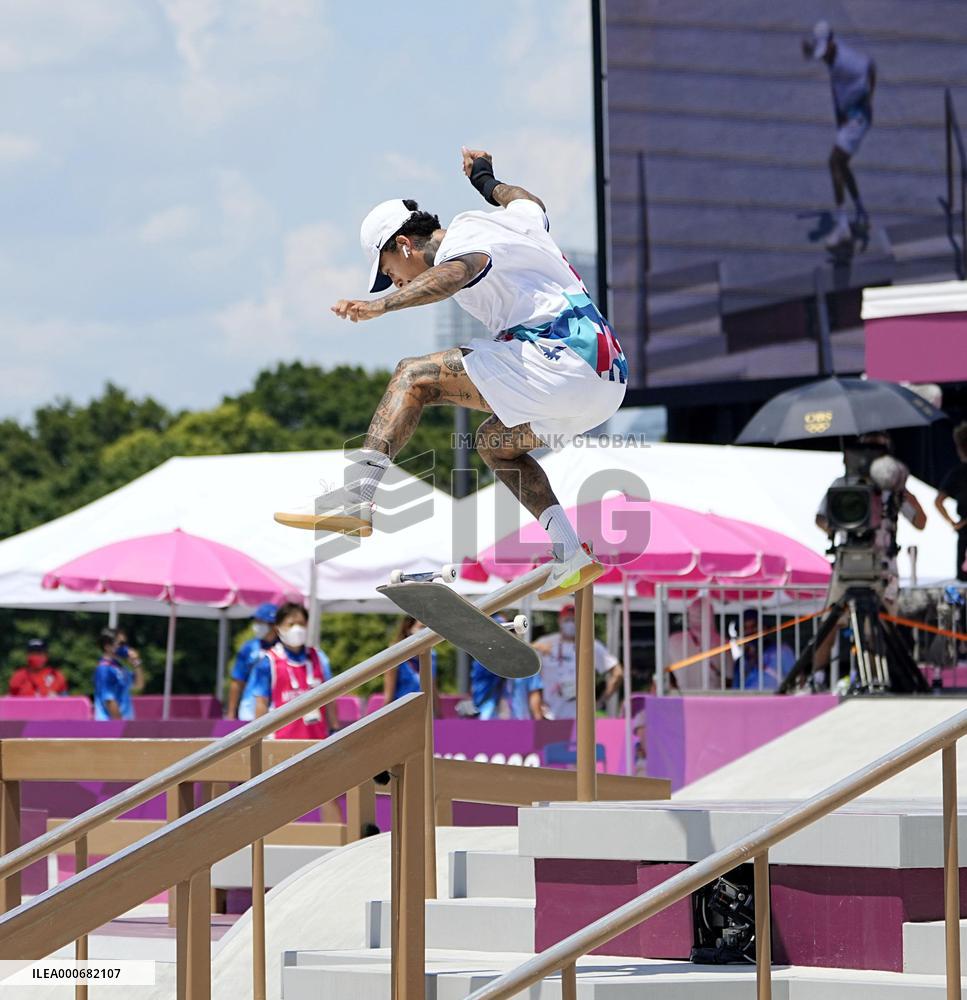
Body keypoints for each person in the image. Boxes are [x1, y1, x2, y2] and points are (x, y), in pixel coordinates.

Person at [274, 146, 628, 601]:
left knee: (412, 376)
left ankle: (357, 498)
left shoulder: (461, 240)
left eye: (390, 272)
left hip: (557, 359)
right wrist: (485, 178)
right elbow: (528, 200)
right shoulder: (515, 221)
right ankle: (569, 552)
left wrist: (381, 306)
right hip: (607, 382)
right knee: (496, 446)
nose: (397, 282)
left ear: (404, 244)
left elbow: (456, 273)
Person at [802, 20, 876, 249]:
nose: (823, 57)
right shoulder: (830, 55)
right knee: (842, 165)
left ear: (832, 43)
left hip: (858, 116)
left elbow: (871, 67)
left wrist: (868, 100)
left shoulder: (848, 61)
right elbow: (836, 87)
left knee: (834, 162)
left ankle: (843, 227)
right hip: (847, 116)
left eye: (825, 51)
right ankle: (861, 211)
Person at [246, 602, 338, 739]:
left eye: (301, 624)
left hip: (317, 739)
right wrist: (259, 738)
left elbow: (330, 696)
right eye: (291, 624)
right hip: (281, 741)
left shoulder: (319, 657)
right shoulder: (268, 661)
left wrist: (334, 729)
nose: (297, 629)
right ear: (278, 628)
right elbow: (261, 702)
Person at [531, 605, 623, 720]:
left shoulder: (590, 645)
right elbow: (521, 655)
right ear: (559, 621)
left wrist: (601, 701)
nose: (570, 623)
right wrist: (535, 647)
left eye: (574, 620)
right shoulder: (546, 642)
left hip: (579, 716)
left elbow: (617, 673)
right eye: (567, 619)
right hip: (548, 714)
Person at [469, 613, 542, 719]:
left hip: (519, 720)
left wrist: (538, 718)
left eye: (510, 634)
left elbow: (534, 692)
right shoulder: (482, 660)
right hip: (488, 719)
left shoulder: (527, 662)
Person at [226, 602, 278, 721]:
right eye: (256, 621)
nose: (256, 626)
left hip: (278, 710)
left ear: (273, 624)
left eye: (261, 622)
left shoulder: (284, 649)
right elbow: (237, 681)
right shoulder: (249, 647)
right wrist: (230, 713)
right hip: (249, 711)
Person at [384, 616, 440, 717]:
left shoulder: (432, 655)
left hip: (424, 713)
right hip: (402, 712)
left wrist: (438, 714)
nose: (427, 632)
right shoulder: (396, 654)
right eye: (422, 627)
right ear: (408, 629)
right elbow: (389, 695)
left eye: (429, 628)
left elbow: (433, 688)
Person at [934, 422, 967, 583]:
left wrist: (954, 523)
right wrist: (954, 523)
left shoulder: (958, 473)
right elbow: (938, 502)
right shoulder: (958, 473)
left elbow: (938, 501)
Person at [732, 610, 795, 690]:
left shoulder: (782, 651)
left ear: (764, 628)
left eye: (754, 626)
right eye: (745, 628)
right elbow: (735, 689)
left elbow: (797, 681)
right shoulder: (740, 661)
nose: (750, 631)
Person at [92, 628, 144, 721]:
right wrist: (120, 725)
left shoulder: (121, 667)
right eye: (121, 644)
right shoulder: (103, 669)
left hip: (125, 724)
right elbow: (109, 700)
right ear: (107, 646)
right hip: (109, 725)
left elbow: (138, 685)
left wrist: (136, 663)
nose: (125, 648)